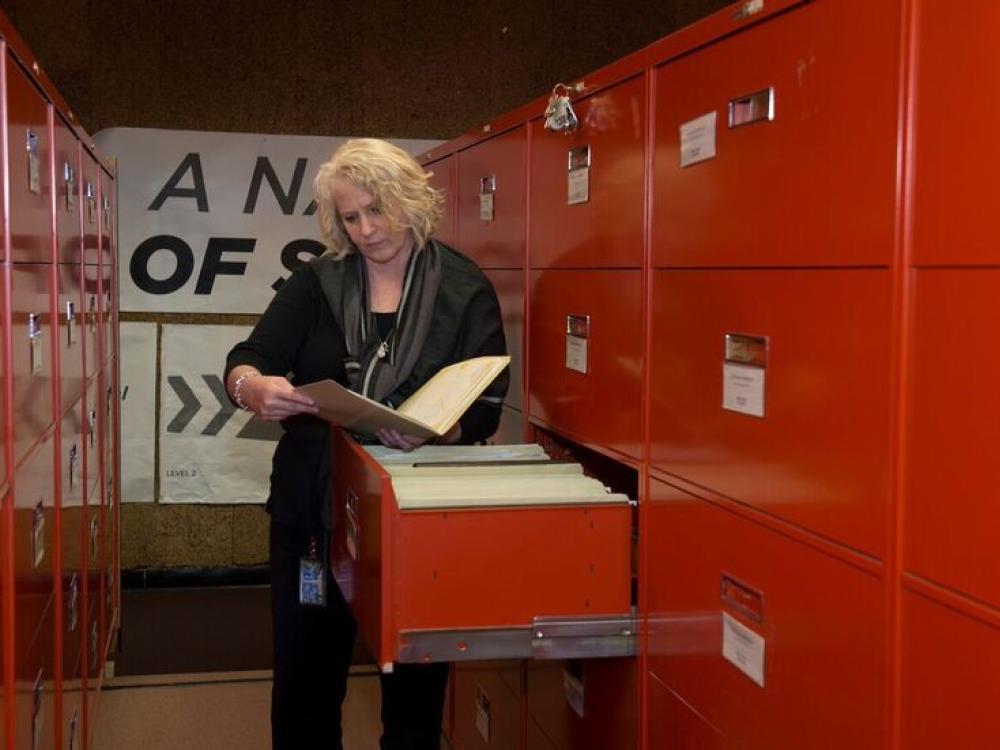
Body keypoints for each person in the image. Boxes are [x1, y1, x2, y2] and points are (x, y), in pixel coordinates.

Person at [224, 137, 509, 750]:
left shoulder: (464, 289)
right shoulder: (317, 283)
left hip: (417, 514)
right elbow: (250, 357)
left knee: (414, 692)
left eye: (376, 211)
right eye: (350, 217)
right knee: (305, 684)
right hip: (312, 511)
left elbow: (485, 405)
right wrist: (252, 387)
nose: (365, 229)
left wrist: (437, 429)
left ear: (410, 200)